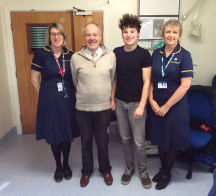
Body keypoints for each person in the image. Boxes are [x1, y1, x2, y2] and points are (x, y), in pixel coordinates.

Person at [147, 19, 193, 190]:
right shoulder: (156, 53)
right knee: (159, 137)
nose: (171, 35)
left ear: (179, 35)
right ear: (163, 34)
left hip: (175, 107)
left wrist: (166, 106)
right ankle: (163, 168)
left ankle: (167, 173)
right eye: (168, 32)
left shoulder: (184, 55)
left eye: (174, 32)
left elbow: (185, 85)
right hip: (157, 103)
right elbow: (152, 79)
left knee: (172, 141)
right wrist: (151, 100)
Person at [31, 22, 79, 182]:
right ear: (49, 37)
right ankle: (58, 166)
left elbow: (75, 80)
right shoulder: (41, 54)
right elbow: (34, 80)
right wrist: (45, 95)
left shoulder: (71, 55)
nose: (56, 37)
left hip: (67, 102)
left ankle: (66, 165)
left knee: (66, 133)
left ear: (64, 36)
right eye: (53, 34)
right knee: (54, 134)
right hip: (49, 102)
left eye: (59, 33)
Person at [70, 21, 116, 187]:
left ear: (100, 36)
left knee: (103, 141)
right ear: (83, 37)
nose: (91, 38)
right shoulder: (75, 58)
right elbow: (75, 82)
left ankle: (105, 169)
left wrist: (111, 100)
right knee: (85, 142)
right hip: (82, 109)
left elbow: (113, 79)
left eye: (95, 34)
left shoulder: (110, 56)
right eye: (88, 35)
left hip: (103, 108)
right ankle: (86, 171)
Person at [111, 14, 152, 189]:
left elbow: (147, 82)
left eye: (132, 31)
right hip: (120, 102)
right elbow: (114, 79)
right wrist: (112, 99)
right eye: (125, 32)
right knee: (125, 139)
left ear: (138, 34)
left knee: (139, 141)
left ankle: (143, 170)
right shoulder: (116, 52)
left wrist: (142, 105)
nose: (128, 35)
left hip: (137, 103)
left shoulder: (144, 54)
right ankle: (129, 168)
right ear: (122, 34)